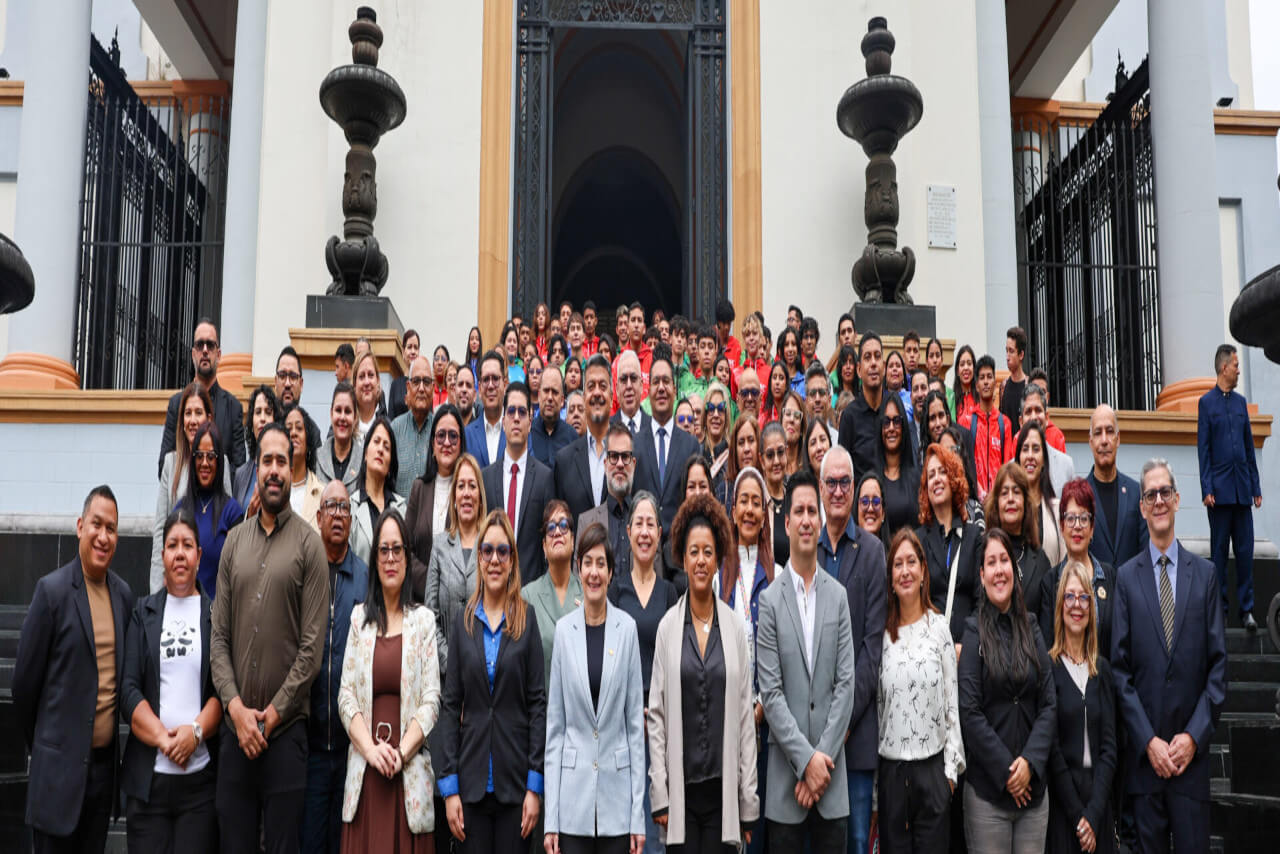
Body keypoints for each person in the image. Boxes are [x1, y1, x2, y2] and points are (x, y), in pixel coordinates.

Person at [210, 423, 329, 853]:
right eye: (267, 461)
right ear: (256, 469)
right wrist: (237, 710)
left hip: (285, 737)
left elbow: (311, 650)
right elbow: (219, 636)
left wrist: (270, 716)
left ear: (293, 464)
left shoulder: (309, 546)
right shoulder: (233, 544)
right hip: (235, 733)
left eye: (282, 460)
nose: (275, 470)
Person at [1111, 459, 1227, 854]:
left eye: (1165, 493)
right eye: (1150, 495)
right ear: (1141, 507)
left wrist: (1193, 737)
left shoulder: (1206, 576)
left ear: (1178, 500)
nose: (1158, 501)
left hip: (1191, 766)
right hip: (1147, 768)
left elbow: (1218, 670)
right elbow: (1120, 672)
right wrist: (1149, 742)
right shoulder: (1125, 579)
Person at [14, 486, 136, 852]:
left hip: (101, 778)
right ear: (80, 526)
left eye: (111, 528)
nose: (103, 536)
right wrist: (50, 747)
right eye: (96, 524)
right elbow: (23, 687)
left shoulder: (123, 596)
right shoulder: (50, 593)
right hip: (57, 780)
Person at [649, 494, 759, 852]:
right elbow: (657, 718)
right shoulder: (667, 628)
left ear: (718, 559)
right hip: (680, 798)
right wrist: (660, 792)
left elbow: (745, 717)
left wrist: (747, 800)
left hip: (723, 797)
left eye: (708, 552)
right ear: (682, 557)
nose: (700, 560)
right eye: (693, 552)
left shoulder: (733, 628)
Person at [756, 469, 856, 849]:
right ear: (786, 522)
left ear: (821, 519)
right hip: (786, 790)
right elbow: (772, 692)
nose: (806, 519)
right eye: (798, 511)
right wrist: (805, 762)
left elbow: (845, 687)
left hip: (831, 788)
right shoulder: (769, 601)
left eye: (812, 511)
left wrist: (821, 764)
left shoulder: (839, 596)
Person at [437, 510, 546, 853]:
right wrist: (450, 788)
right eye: (487, 551)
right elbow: (451, 704)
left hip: (515, 788)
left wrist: (534, 786)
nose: (494, 559)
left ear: (512, 559)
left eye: (502, 551)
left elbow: (538, 706)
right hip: (470, 787)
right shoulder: (462, 623)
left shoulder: (527, 621)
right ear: (480, 558)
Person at [337, 509, 442, 851]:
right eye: (384, 550)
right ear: (375, 558)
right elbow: (346, 697)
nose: (391, 558)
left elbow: (431, 701)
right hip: (366, 777)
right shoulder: (358, 621)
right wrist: (370, 750)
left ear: (408, 558)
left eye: (398, 549)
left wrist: (399, 752)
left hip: (407, 776)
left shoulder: (424, 622)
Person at [121, 508, 222, 854]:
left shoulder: (215, 616)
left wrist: (193, 734)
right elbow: (129, 691)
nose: (180, 553)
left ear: (199, 555)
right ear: (162, 554)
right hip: (149, 785)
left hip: (200, 789)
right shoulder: (142, 612)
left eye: (188, 545)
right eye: (172, 545)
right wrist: (168, 741)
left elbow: (221, 693)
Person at [543, 522, 647, 854]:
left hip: (617, 807)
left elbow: (634, 730)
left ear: (611, 572)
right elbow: (556, 730)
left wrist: (637, 817)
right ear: (578, 568)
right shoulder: (563, 632)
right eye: (587, 562)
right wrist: (551, 820)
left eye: (601, 563)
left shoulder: (627, 630)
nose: (593, 572)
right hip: (573, 806)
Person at [958, 528, 1057, 853]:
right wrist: (1007, 772)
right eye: (991, 562)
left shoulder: (1032, 627)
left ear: (1014, 571)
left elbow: (1048, 704)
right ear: (982, 574)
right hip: (988, 795)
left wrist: (1029, 763)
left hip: (1033, 795)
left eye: (1005, 560)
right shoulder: (973, 632)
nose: (1000, 569)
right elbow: (970, 713)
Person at [815, 446, 886, 854]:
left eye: (845, 482)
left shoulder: (873, 552)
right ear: (821, 488)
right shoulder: (809, 548)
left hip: (855, 736)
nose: (838, 491)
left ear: (854, 488)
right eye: (831, 482)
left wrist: (840, 722)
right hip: (813, 734)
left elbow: (871, 650)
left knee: (857, 842)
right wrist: (822, 725)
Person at [877, 528, 965, 854]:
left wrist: (950, 776)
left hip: (933, 774)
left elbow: (951, 702)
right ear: (890, 576)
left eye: (911, 562)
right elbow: (877, 707)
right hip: (892, 775)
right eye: (897, 564)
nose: (905, 571)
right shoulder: (882, 634)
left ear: (923, 569)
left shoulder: (939, 628)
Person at [300, 480, 368, 854]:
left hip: (351, 749)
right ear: (319, 515)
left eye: (345, 507)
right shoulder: (305, 573)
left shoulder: (364, 577)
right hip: (309, 746)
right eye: (332, 507)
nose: (339, 514)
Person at [1046, 560, 1118, 854]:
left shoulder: (1102, 671)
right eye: (1070, 596)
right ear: (1060, 604)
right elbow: (1052, 750)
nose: (1077, 605)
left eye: (1084, 597)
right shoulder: (1048, 670)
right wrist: (1079, 816)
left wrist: (1094, 813)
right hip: (1065, 811)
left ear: (1092, 607)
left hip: (1099, 808)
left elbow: (1110, 748)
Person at [1197, 344, 1263, 630]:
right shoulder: (1206, 403)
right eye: (1235, 365)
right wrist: (1206, 488)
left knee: (1246, 552)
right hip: (1219, 494)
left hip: (1242, 490)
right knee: (1220, 554)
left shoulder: (1240, 403)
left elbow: (1249, 448)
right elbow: (1204, 449)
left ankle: (1246, 611)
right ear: (1224, 367)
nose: (1238, 369)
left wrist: (1256, 486)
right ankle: (1220, 611)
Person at [482, 381, 555, 584]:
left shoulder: (545, 477)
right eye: (511, 411)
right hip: (493, 589)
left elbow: (547, 543)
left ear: (530, 422)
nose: (516, 418)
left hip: (531, 594)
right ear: (503, 421)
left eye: (522, 412)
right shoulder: (486, 478)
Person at [1037, 479, 1118, 661]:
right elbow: (1048, 648)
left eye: (1083, 518)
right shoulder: (1050, 582)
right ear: (1062, 525)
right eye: (1071, 518)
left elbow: (1117, 642)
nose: (1077, 526)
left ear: (1092, 527)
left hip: (1103, 683)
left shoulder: (1110, 576)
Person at [158, 318, 247, 478]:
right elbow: (164, 467)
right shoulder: (176, 404)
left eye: (210, 345)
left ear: (218, 354)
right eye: (200, 345)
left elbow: (239, 471)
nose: (205, 350)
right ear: (193, 354)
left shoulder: (233, 408)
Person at [915, 444, 981, 646]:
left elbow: (981, 602)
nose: (936, 479)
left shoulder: (975, 537)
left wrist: (967, 645)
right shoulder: (918, 541)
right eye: (931, 475)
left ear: (953, 478)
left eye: (942, 472)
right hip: (929, 652)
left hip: (967, 651)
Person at [153, 382, 214, 591]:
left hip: (208, 586)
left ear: (209, 418)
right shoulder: (170, 464)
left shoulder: (219, 462)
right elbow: (160, 528)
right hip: (173, 583)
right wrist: (156, 590)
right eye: (188, 413)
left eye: (199, 412)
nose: (193, 420)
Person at [405, 403, 467, 599]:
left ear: (461, 444)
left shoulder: (468, 491)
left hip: (458, 604)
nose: (446, 442)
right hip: (419, 602)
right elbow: (406, 549)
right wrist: (433, 585)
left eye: (453, 436)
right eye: (441, 435)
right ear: (432, 444)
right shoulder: (419, 489)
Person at [636, 354, 702, 538]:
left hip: (680, 551)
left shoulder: (691, 446)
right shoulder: (635, 444)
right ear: (648, 391)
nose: (661, 388)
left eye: (666, 381)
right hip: (645, 550)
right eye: (656, 382)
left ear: (674, 388)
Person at [179, 422, 243, 598]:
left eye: (211, 456)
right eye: (199, 456)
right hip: (183, 614)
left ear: (219, 461)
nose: (205, 463)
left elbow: (238, 575)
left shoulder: (232, 513)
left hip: (218, 618)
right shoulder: (180, 510)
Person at [985, 462, 1053, 625]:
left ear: (1026, 503)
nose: (1010, 499)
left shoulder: (1041, 560)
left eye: (1016, 492)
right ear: (996, 504)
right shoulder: (981, 552)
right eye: (1004, 493)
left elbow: (1046, 628)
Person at [521, 501, 582, 679]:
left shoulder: (588, 596)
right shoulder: (527, 597)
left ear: (573, 541)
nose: (557, 532)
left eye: (564, 525)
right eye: (550, 528)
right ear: (544, 547)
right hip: (541, 703)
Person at [1084, 405, 1146, 569]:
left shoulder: (1137, 493)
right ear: (1091, 442)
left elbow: (1145, 552)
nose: (1104, 440)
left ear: (1118, 439)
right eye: (1098, 433)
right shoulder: (1080, 496)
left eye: (1109, 431)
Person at [555, 355, 614, 520]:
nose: (596, 392)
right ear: (584, 394)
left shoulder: (630, 452)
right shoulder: (564, 461)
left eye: (602, 386)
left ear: (611, 394)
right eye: (591, 386)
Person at [350, 416, 407, 564]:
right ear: (365, 454)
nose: (381, 449)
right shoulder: (351, 507)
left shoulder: (401, 509)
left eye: (387, 447)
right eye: (376, 442)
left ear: (390, 465)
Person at [959, 355, 1014, 501]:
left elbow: (1008, 465)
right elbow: (963, 463)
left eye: (989, 377)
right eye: (982, 378)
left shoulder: (1005, 423)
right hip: (974, 500)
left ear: (995, 383)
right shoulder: (966, 421)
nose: (986, 382)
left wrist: (995, 494)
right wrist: (979, 492)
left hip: (999, 500)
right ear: (976, 386)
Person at [1017, 421, 1066, 566]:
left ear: (1044, 459)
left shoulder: (1058, 510)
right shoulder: (1009, 508)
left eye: (1036, 449)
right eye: (1025, 449)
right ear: (1018, 457)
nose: (1030, 456)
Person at [838, 331, 885, 477]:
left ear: (883, 366)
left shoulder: (894, 409)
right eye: (867, 357)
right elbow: (843, 470)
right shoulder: (849, 416)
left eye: (877, 356)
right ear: (858, 369)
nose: (873, 363)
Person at [876, 394, 921, 536]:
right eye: (886, 422)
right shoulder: (872, 480)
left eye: (896, 421)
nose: (891, 428)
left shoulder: (918, 477)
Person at [392, 355, 436, 497]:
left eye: (427, 382)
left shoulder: (440, 431)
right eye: (416, 381)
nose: (422, 388)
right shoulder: (395, 429)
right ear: (408, 387)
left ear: (433, 388)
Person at [1019, 384, 1074, 497]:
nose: (1034, 417)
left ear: (1047, 417)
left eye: (1038, 410)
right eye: (1028, 411)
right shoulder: (1011, 469)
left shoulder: (1066, 465)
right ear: (1020, 421)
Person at [235, 384, 282, 512]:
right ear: (251, 422)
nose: (262, 418)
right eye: (258, 412)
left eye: (268, 412)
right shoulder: (240, 475)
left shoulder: (285, 468)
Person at [284, 403, 325, 534]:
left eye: (299, 428)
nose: (293, 433)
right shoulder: (272, 489)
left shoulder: (322, 493)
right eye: (288, 429)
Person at [317, 382, 364, 496]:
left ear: (355, 417)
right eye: (338, 410)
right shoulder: (316, 458)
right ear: (331, 413)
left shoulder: (364, 461)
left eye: (347, 411)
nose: (342, 417)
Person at [465, 350, 508, 469]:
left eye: (495, 378)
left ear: (505, 384)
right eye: (485, 380)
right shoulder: (467, 435)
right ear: (479, 388)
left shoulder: (518, 429)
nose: (490, 385)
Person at [529, 359, 574, 470]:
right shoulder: (527, 434)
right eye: (546, 391)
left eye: (554, 392)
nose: (550, 397)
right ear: (539, 395)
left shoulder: (572, 438)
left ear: (562, 400)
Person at [760, 422, 791, 569]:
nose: (776, 461)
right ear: (761, 460)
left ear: (787, 452)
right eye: (770, 455)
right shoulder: (756, 503)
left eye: (780, 452)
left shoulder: (794, 501)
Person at [353, 350, 388, 444]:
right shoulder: (343, 424)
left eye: (371, 375)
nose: (367, 382)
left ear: (378, 381)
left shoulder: (389, 429)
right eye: (361, 376)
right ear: (354, 384)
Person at [1000, 327, 1028, 435]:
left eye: (1011, 351)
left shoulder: (1029, 386)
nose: (1007, 357)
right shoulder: (1003, 386)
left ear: (1021, 354)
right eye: (1006, 351)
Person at [388, 329, 421, 421]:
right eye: (409, 347)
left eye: (416, 347)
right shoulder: (395, 385)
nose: (413, 351)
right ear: (403, 351)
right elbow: (390, 418)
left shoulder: (423, 383)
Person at [779, 390, 807, 476]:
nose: (791, 419)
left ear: (802, 427)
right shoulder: (773, 463)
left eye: (797, 415)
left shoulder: (808, 466)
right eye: (787, 413)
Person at [855, 473, 886, 545]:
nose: (870, 508)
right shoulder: (846, 554)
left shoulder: (893, 555)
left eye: (876, 502)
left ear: (883, 513)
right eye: (864, 501)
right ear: (857, 510)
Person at [952, 346, 979, 420]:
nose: (966, 368)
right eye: (962, 364)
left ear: (974, 368)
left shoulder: (980, 398)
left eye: (969, 363)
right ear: (957, 371)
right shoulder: (952, 400)